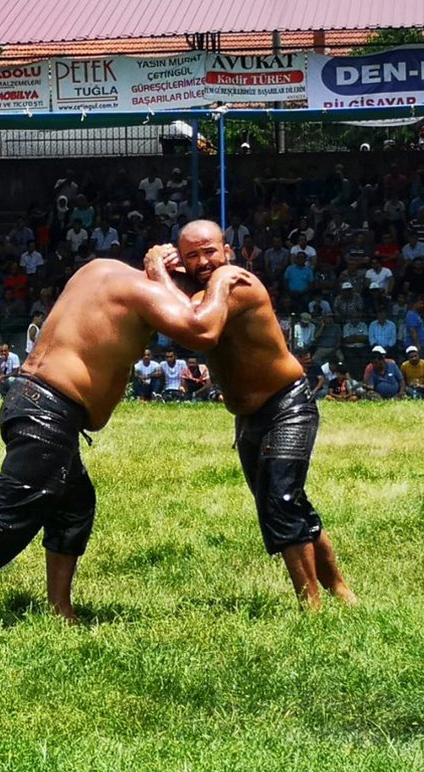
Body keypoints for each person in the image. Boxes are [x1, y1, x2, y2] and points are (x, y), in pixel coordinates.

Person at [0, 248, 251, 628]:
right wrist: (219, 283)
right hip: (48, 410)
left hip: (32, 401)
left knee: (75, 504)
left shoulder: (100, 269)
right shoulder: (146, 293)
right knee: (13, 510)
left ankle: (60, 609)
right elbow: (202, 331)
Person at [148, 220, 357, 610]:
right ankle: (340, 589)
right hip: (249, 417)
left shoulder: (233, 281)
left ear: (227, 250)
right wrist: (165, 274)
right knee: (285, 500)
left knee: (280, 499)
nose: (203, 260)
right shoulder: (203, 289)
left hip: (287, 405)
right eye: (191, 255)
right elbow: (178, 306)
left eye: (209, 250)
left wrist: (159, 272)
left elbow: (196, 328)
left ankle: (311, 605)